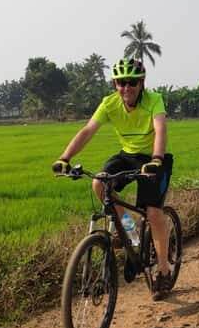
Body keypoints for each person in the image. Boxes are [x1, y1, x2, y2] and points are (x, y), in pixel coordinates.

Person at [52, 57, 175, 300]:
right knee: (99, 183)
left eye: (131, 82)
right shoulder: (109, 103)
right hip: (126, 156)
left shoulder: (154, 100)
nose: (126, 88)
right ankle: (131, 234)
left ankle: (163, 270)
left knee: (152, 212)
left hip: (153, 160)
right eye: (121, 83)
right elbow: (87, 131)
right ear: (115, 84)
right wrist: (64, 158)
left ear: (141, 83)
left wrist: (157, 159)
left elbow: (160, 129)